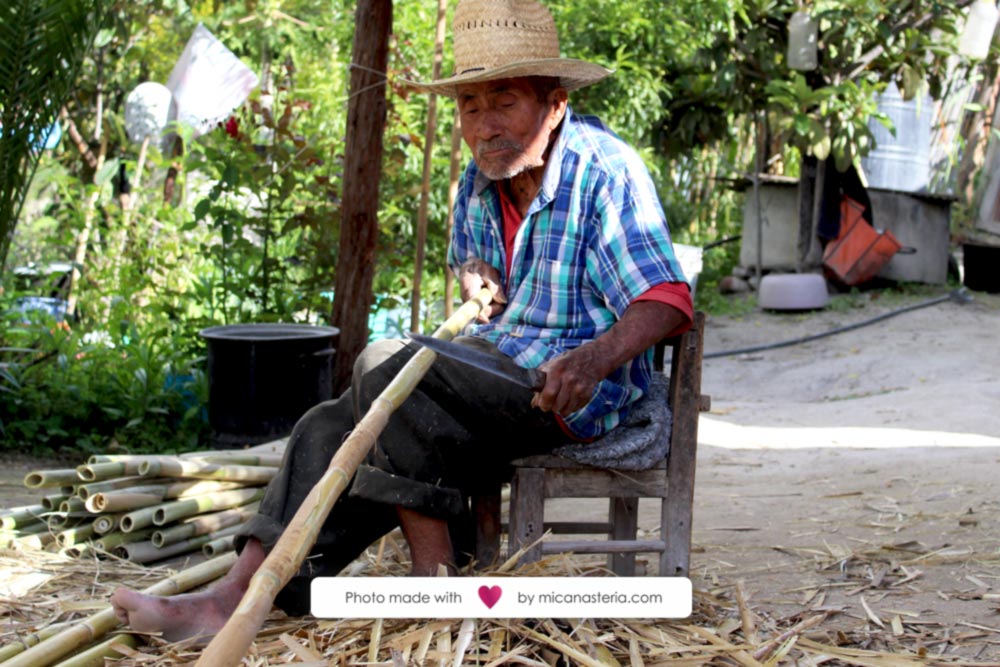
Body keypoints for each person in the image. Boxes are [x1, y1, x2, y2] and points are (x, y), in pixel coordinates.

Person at [111, 0, 693, 642]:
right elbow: (474, 265)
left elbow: (667, 300)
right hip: (490, 375)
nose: (484, 125)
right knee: (330, 421)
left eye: (503, 102)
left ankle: (430, 576)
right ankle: (240, 592)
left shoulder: (604, 171)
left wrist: (594, 359)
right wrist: (474, 272)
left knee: (389, 370)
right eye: (470, 107)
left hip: (570, 392)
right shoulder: (482, 181)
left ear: (554, 104)